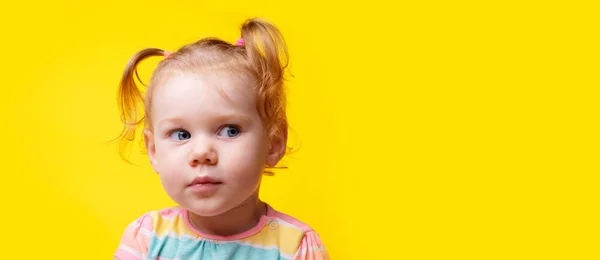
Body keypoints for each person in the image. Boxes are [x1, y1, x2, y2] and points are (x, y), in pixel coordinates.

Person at [112, 17, 330, 260]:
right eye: (181, 134)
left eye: (230, 130)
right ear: (154, 151)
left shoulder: (296, 246)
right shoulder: (146, 238)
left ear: (273, 142)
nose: (201, 153)